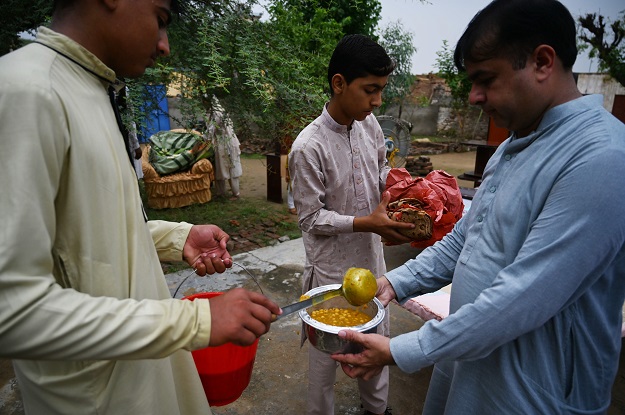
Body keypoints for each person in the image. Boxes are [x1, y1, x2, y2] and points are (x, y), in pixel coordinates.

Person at [331, 1, 625, 414]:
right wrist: (395, 283)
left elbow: (522, 297)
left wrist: (404, 348)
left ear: (542, 61)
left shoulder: (601, 158)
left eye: (485, 79)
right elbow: (466, 241)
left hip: (535, 388)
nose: (473, 97)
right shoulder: (512, 146)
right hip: (472, 361)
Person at [0, 1, 280, 414]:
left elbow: (83, 236)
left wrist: (175, 237)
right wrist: (197, 321)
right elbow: (13, 311)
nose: (165, 45)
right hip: (99, 397)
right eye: (161, 20)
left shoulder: (94, 90)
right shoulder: (26, 92)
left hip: (143, 378)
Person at [288, 34, 415, 415]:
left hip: (371, 263)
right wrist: (366, 222)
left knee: (375, 345)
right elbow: (310, 217)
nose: (377, 101)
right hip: (331, 272)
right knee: (326, 361)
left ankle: (376, 411)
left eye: (381, 90)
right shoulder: (308, 147)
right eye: (370, 90)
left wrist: (396, 187)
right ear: (339, 84)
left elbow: (379, 165)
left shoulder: (370, 124)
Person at [207, 96, 243, 200]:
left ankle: (230, 194)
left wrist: (202, 140)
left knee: (226, 169)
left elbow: (210, 130)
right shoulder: (220, 111)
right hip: (227, 142)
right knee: (226, 168)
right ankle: (225, 193)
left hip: (225, 144)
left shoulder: (216, 113)